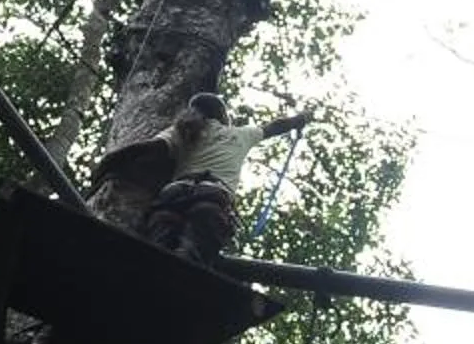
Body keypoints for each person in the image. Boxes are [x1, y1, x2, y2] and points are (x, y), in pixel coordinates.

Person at [95, 91, 317, 262]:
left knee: (158, 248)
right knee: (190, 255)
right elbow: (275, 127)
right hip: (212, 196)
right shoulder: (239, 134)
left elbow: (150, 147)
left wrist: (109, 161)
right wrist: (301, 119)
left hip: (174, 194)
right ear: (223, 116)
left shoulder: (183, 131)